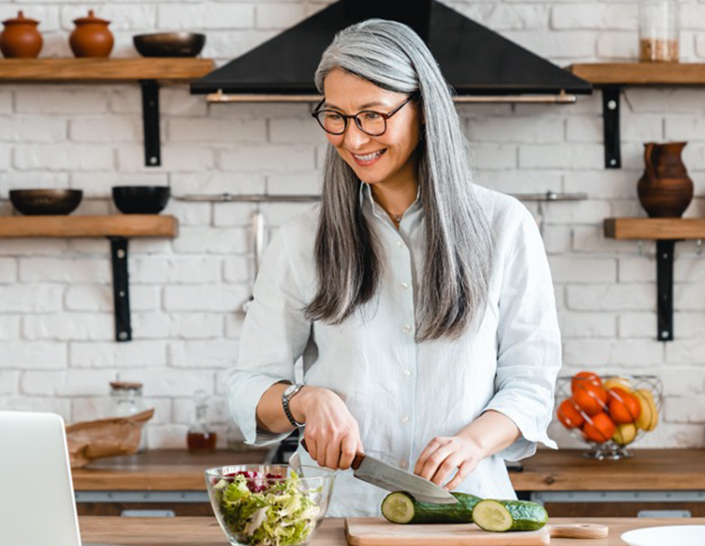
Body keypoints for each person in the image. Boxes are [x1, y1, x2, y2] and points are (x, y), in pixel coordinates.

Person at [226, 18, 561, 517]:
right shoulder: (301, 238)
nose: (353, 139)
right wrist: (306, 400)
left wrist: (470, 443)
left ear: (423, 110)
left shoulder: (504, 226)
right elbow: (249, 385)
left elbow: (531, 384)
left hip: (465, 513)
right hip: (336, 514)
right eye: (336, 116)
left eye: (373, 116)